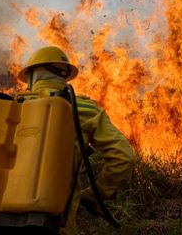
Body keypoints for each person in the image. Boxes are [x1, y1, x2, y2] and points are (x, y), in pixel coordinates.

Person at [17, 46, 136, 234]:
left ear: (32, 75)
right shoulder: (83, 108)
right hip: (55, 222)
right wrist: (95, 194)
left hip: (0, 218)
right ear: (65, 76)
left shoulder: (9, 106)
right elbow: (124, 157)